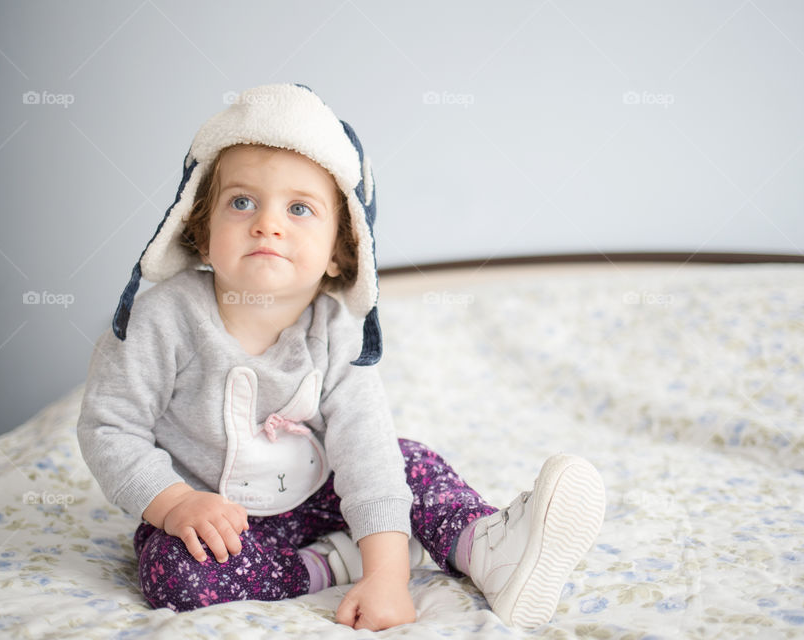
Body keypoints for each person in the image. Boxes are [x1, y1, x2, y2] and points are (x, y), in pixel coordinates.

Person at [76, 83, 607, 631]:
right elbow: (110, 428)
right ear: (202, 233)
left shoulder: (336, 330)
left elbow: (364, 450)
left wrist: (388, 578)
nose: (267, 223)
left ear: (338, 252)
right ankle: (326, 565)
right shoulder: (162, 319)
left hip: (318, 493)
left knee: (405, 460)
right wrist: (174, 503)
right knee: (175, 575)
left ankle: (485, 547)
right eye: (241, 202)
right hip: (215, 516)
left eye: (300, 208)